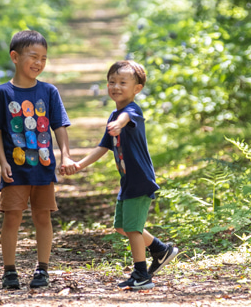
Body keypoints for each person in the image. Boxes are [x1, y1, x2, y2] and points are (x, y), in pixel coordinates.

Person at [65, 60, 178, 290]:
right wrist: (80, 165)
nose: (116, 86)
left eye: (122, 82)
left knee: (133, 229)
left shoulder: (131, 111)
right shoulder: (113, 115)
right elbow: (102, 147)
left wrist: (119, 123)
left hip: (140, 180)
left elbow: (127, 117)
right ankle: (160, 249)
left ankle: (141, 274)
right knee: (122, 227)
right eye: (111, 82)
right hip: (127, 182)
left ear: (137, 88)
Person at [0, 30, 76, 290]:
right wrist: (2, 162)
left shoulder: (48, 91)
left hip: (43, 168)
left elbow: (59, 126)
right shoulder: (2, 93)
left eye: (44, 58)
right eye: (33, 56)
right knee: (12, 217)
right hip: (15, 169)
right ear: (15, 56)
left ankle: (43, 269)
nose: (39, 63)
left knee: (43, 217)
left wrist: (65, 154)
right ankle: (9, 271)